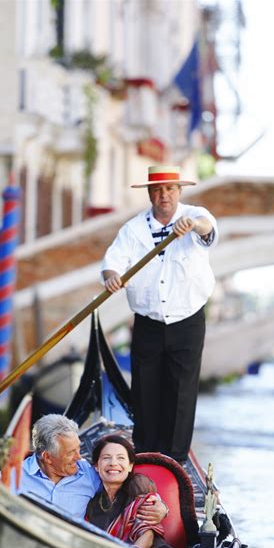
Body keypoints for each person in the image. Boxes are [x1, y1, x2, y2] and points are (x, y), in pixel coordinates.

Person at [101, 165, 218, 464]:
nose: (164, 195)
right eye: (157, 190)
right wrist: (112, 276)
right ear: (150, 194)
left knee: (181, 393)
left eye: (169, 189)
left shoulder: (195, 215)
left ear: (179, 191)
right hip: (148, 322)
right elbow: (113, 261)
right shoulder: (133, 229)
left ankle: (174, 461)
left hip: (187, 319)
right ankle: (145, 456)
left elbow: (208, 229)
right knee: (145, 391)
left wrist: (192, 225)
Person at [16, 414, 168, 523]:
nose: (79, 457)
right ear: (47, 457)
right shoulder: (12, 478)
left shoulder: (87, 473)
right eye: (71, 453)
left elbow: (123, 483)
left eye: (78, 449)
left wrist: (161, 507)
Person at [86, 434, 179, 548]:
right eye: (106, 458)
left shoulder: (139, 486)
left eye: (121, 458)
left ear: (130, 466)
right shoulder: (89, 497)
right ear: (96, 466)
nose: (113, 463)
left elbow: (147, 531)